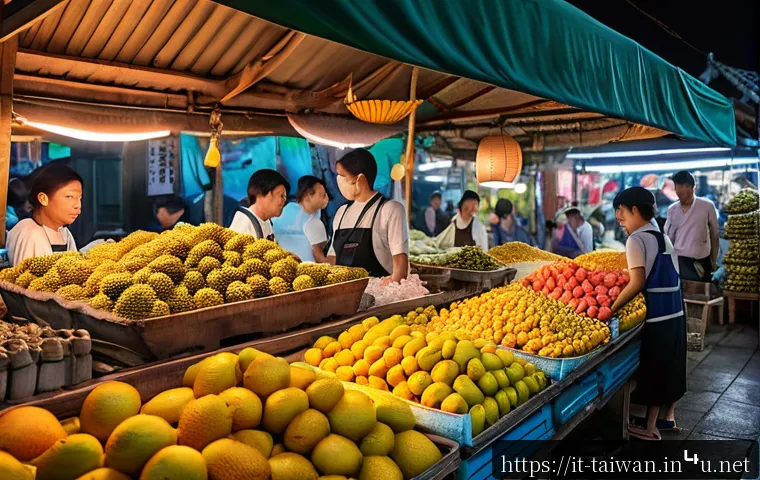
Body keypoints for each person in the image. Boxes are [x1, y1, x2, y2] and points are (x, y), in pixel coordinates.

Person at [611, 187, 685, 441]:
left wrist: (610, 309)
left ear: (634, 210)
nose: (619, 218)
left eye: (621, 212)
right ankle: (654, 424)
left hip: (655, 315)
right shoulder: (661, 236)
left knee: (653, 370)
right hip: (674, 312)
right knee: (664, 369)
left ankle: (651, 429)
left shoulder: (636, 239)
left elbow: (636, 282)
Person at [327, 148, 409, 281]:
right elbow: (332, 258)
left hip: (379, 296)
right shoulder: (341, 212)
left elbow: (400, 268)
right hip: (344, 293)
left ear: (360, 179)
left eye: (342, 176)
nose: (338, 180)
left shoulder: (390, 209)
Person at [7, 165, 81, 266]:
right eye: (69, 197)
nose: (78, 205)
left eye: (79, 198)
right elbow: (27, 279)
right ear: (43, 199)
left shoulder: (64, 232)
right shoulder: (29, 232)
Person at [664, 171, 719, 282]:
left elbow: (715, 236)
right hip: (679, 262)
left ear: (693, 187)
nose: (680, 191)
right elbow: (669, 239)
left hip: (702, 262)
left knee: (701, 294)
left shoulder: (707, 206)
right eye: (678, 187)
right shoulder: (672, 209)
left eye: (685, 187)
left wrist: (713, 261)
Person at [274, 175, 330, 263]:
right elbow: (319, 257)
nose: (326, 198)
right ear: (308, 195)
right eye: (322, 195)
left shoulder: (286, 210)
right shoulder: (311, 221)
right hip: (307, 270)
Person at [229, 169, 289, 241]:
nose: (284, 201)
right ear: (265, 192)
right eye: (281, 196)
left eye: (285, 197)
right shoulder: (244, 223)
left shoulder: (266, 222)